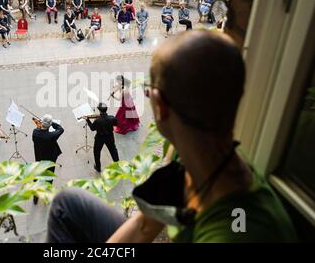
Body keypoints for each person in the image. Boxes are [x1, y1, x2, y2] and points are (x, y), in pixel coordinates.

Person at [46, 31, 299, 243]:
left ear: (159, 105)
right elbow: (145, 225)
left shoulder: (235, 230)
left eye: (149, 90)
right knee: (67, 204)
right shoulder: (188, 150)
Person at [32, 114, 64, 204]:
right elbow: (61, 129)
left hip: (39, 158)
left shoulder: (35, 132)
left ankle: (35, 196)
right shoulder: (51, 136)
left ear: (42, 123)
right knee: (49, 177)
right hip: (50, 160)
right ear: (49, 125)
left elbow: (39, 130)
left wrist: (43, 123)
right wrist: (52, 123)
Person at [84, 103, 119, 173]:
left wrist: (87, 120)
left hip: (99, 138)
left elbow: (92, 128)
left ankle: (98, 167)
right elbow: (116, 123)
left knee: (96, 152)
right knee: (113, 150)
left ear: (99, 111)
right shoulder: (111, 118)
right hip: (110, 137)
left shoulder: (97, 121)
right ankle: (117, 165)